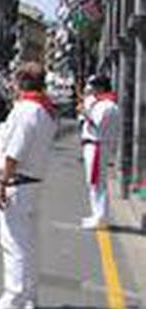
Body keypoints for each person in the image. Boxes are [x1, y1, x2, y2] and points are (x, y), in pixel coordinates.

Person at [0, 62, 56, 309]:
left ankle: (13, 297)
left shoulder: (26, 110)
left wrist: (2, 182)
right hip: (31, 182)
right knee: (28, 244)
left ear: (20, 82)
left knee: (14, 244)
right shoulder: (43, 109)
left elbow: (15, 152)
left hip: (19, 182)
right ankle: (29, 296)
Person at [79, 75, 120, 230]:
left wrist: (86, 113)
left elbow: (98, 124)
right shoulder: (102, 103)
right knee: (94, 182)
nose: (92, 90)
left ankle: (100, 217)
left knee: (96, 182)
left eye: (95, 87)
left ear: (101, 87)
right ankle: (97, 214)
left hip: (97, 145)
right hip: (95, 145)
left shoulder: (107, 105)